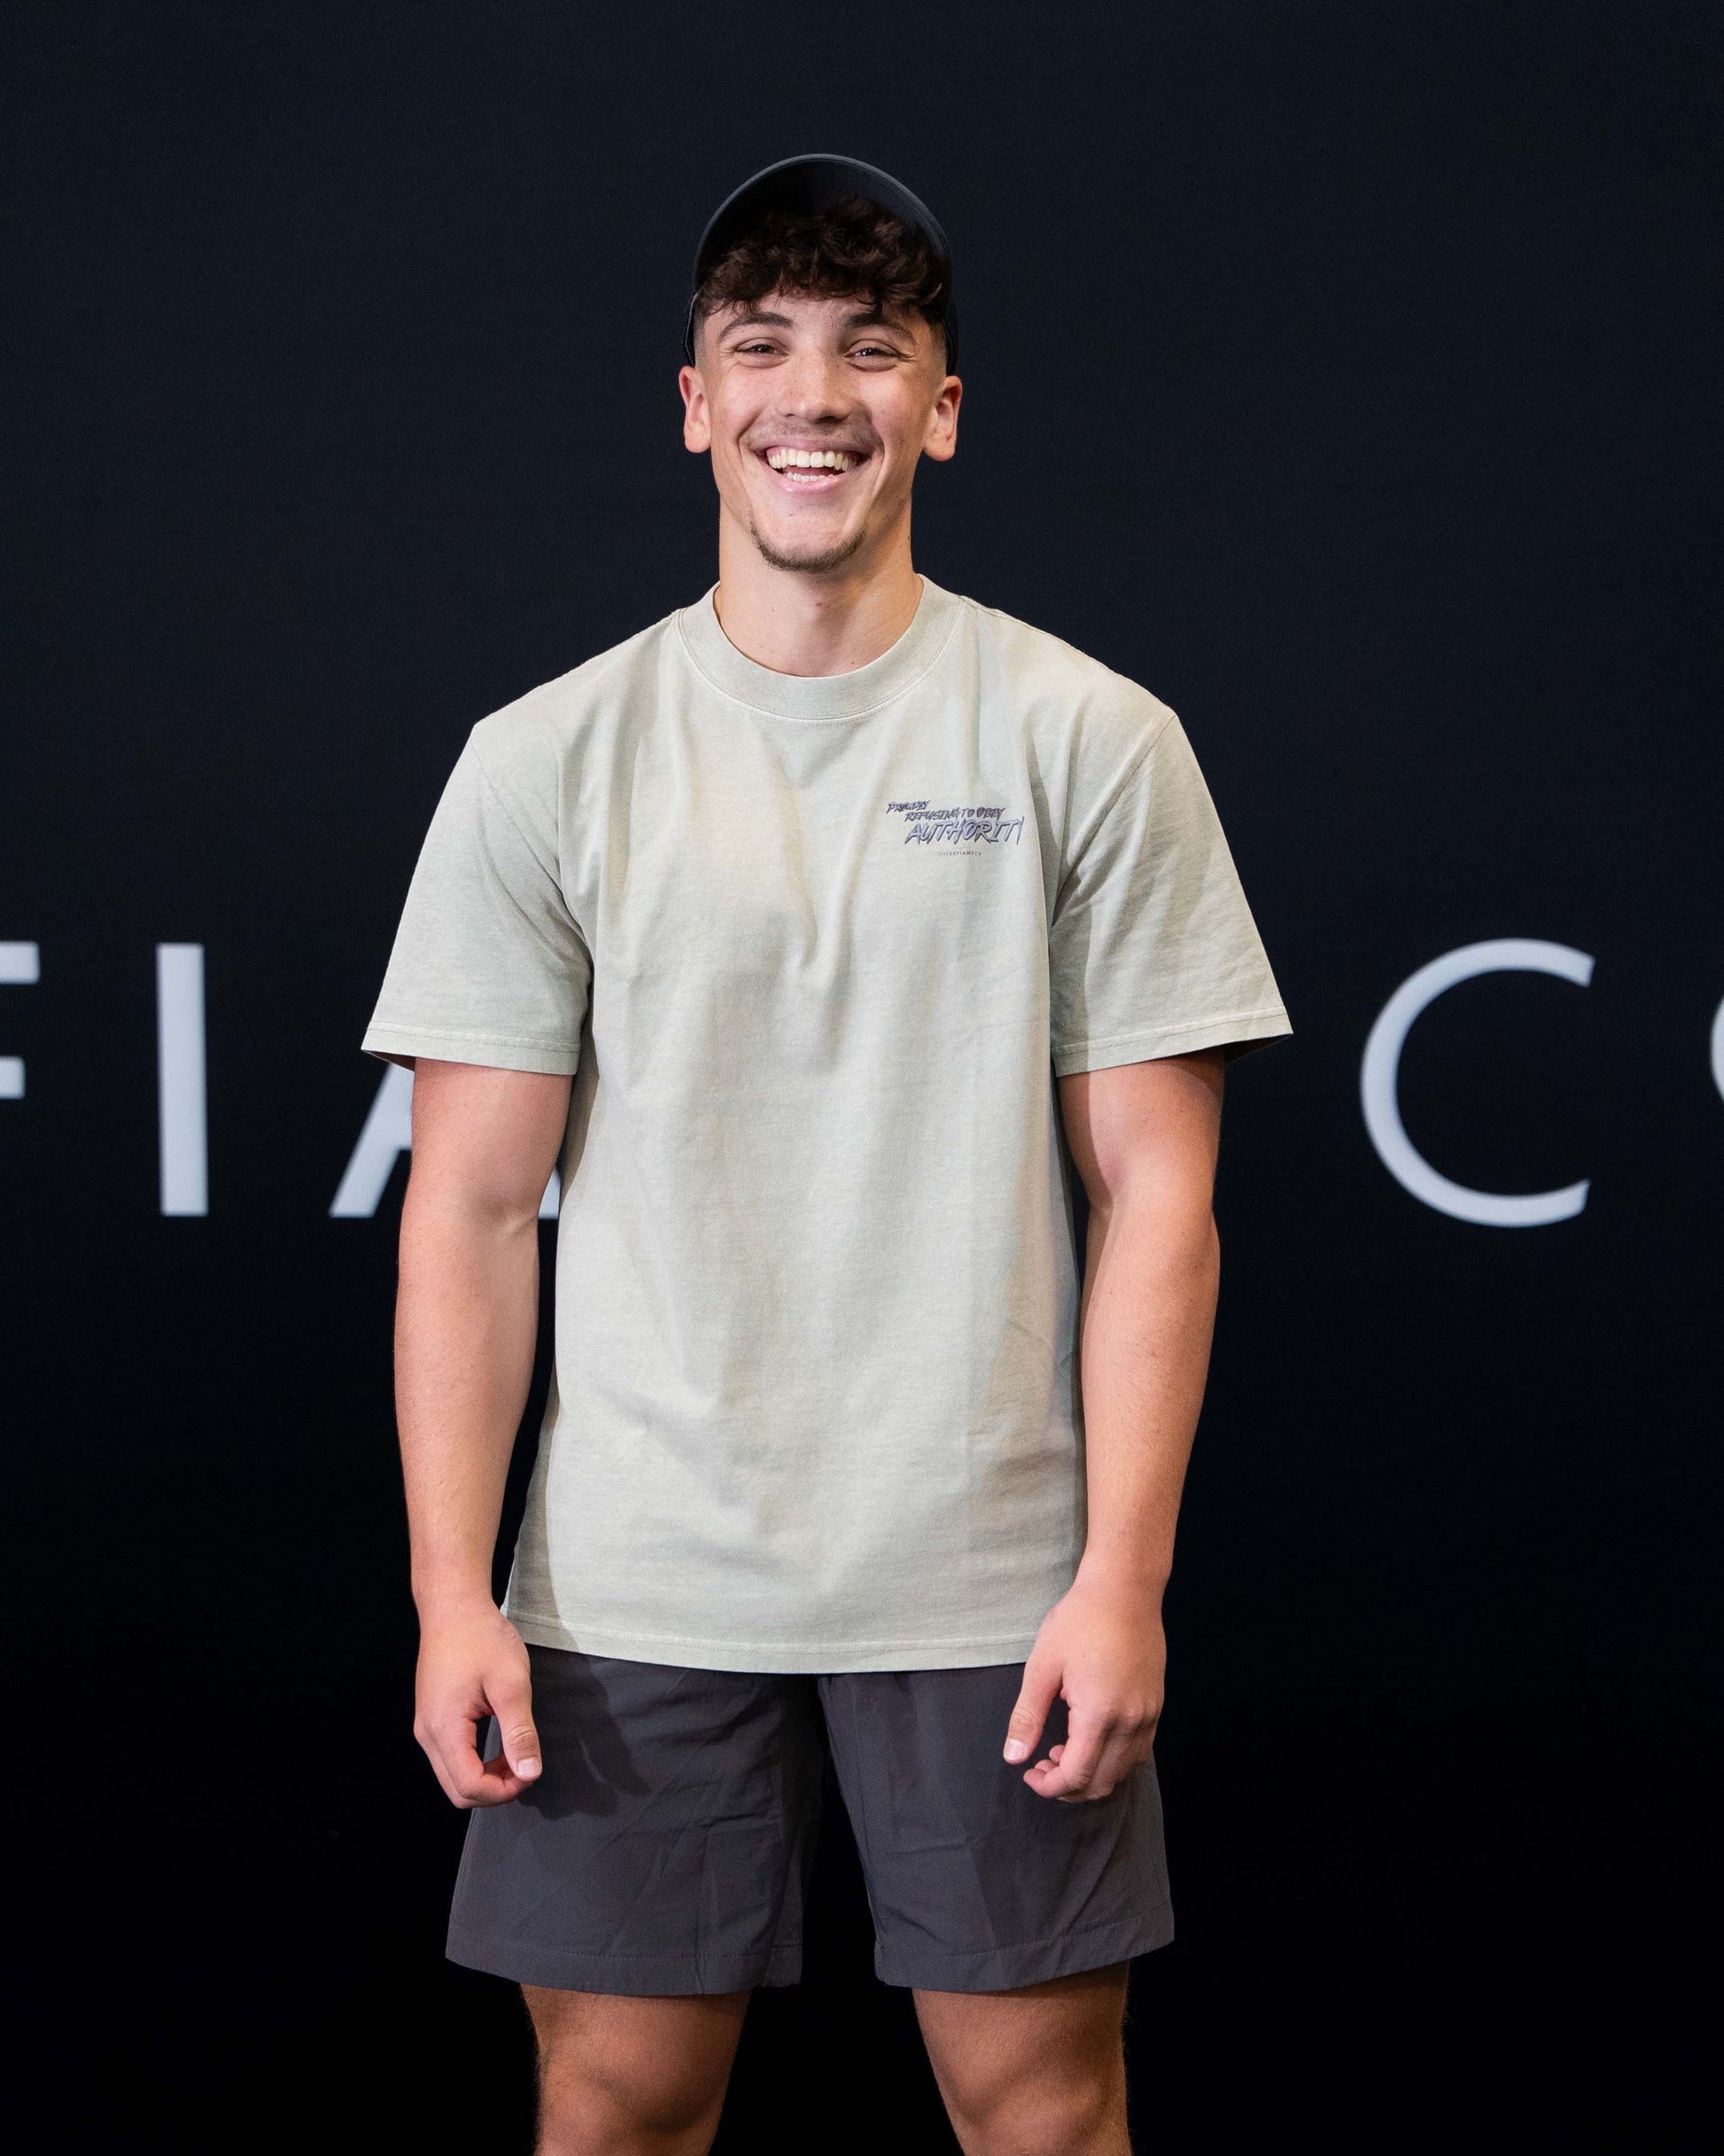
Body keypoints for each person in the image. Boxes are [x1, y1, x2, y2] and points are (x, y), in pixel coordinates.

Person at [363, 153, 1292, 2156]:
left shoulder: (1088, 737)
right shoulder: (547, 758)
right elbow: (462, 1207)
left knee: (1041, 2108)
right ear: (693, 400)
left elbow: (1160, 1198)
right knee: (610, 2100)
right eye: (760, 347)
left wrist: (1120, 1578)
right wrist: (456, 1588)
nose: (814, 392)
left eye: (871, 350)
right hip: (629, 1571)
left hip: (988, 1570)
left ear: (939, 411)